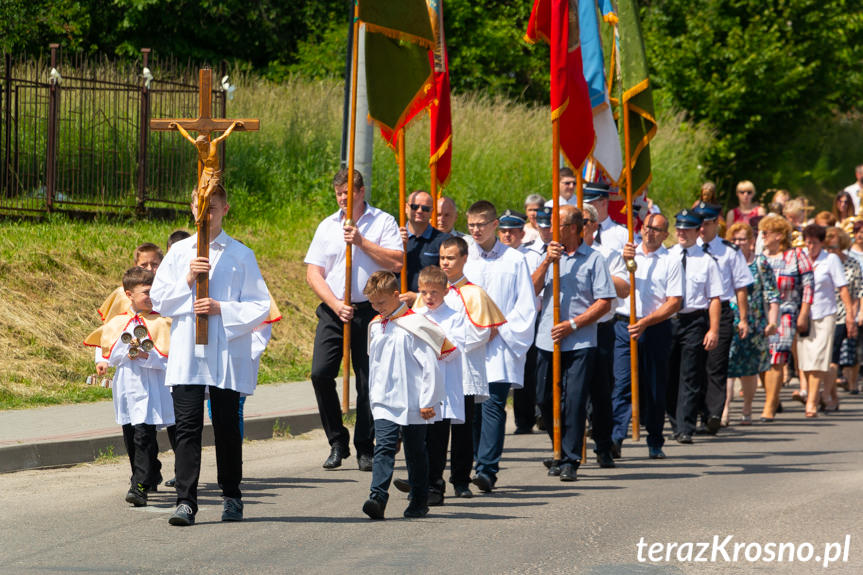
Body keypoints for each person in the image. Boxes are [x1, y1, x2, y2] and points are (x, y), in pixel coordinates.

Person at [151, 183, 271, 526]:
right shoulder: (178, 254)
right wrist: (188, 278)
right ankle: (186, 501)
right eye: (201, 208)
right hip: (189, 350)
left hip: (224, 353)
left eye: (213, 208)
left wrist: (223, 308)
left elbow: (260, 305)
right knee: (187, 428)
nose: (207, 215)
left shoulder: (240, 254)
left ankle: (232, 494)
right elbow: (159, 301)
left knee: (226, 427)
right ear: (192, 208)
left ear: (225, 209)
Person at [304, 168, 403, 471]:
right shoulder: (327, 226)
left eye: (348, 192)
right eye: (339, 193)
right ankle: (337, 441)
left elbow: (397, 261)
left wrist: (362, 242)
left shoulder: (383, 222)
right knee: (320, 373)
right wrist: (334, 303)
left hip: (371, 311)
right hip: (335, 310)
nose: (343, 198)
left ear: (361, 192)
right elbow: (313, 272)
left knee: (367, 382)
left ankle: (365, 446)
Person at [532, 205, 616, 480]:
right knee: (544, 399)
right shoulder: (548, 255)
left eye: (556, 224)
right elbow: (530, 289)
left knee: (575, 401)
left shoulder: (594, 260)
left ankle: (569, 459)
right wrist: (546, 262)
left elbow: (605, 302)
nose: (550, 228)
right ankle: (557, 447)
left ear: (571, 228)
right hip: (548, 338)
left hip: (580, 341)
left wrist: (574, 324)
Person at [360, 271, 450, 520]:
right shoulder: (376, 325)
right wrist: (374, 396)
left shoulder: (416, 325)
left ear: (396, 295)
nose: (378, 308)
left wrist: (428, 400)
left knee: (414, 450)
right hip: (385, 399)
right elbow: (375, 363)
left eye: (382, 302)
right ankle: (377, 496)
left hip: (413, 399)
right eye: (373, 304)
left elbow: (430, 365)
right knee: (385, 447)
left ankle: (419, 500)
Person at [84, 267, 173, 507]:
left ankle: (139, 485)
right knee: (132, 435)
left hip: (151, 385)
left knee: (144, 434)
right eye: (145, 291)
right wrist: (103, 360)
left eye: (153, 290)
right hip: (126, 386)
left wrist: (147, 356)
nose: (151, 295)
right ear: (129, 294)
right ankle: (148, 472)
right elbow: (106, 344)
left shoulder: (161, 320)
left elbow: (168, 355)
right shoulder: (119, 321)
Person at [463, 200, 537, 493]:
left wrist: (499, 326)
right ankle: (471, 462)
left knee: (493, 403)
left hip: (500, 344)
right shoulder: (466, 258)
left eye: (481, 225)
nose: (476, 230)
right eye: (471, 226)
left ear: (495, 225)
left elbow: (525, 305)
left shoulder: (514, 260)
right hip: (469, 343)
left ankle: (487, 470)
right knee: (473, 407)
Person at [438, 237, 505, 497]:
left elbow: (487, 330)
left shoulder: (474, 293)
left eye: (451, 258)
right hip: (439, 370)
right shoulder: (432, 291)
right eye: (443, 257)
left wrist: (452, 341)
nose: (445, 262)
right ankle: (432, 478)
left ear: (464, 259)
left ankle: (461, 479)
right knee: (436, 428)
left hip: (463, 369)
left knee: (463, 429)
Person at [611, 214, 682, 458]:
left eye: (656, 229)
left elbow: (673, 302)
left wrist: (646, 322)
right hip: (624, 325)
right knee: (622, 384)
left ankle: (654, 439)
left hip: (655, 327)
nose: (649, 232)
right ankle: (615, 438)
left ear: (665, 234)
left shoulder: (670, 260)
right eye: (646, 227)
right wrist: (625, 261)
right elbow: (613, 284)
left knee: (654, 386)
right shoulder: (627, 255)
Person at [692, 201, 753, 434]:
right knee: (695, 366)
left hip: (723, 311)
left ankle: (714, 413)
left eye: (706, 224)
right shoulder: (689, 250)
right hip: (696, 311)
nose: (701, 229)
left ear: (716, 224)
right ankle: (697, 412)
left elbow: (740, 287)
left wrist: (743, 318)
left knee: (716, 365)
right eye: (699, 224)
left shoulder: (729, 251)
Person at [666, 209, 722, 444]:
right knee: (669, 375)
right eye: (679, 228)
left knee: (690, 374)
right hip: (668, 320)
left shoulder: (707, 261)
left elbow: (715, 298)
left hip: (693, 320)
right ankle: (674, 422)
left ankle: (685, 427)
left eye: (687, 229)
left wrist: (714, 329)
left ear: (697, 231)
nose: (681, 232)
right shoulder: (668, 256)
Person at [582, 203, 630, 465]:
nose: (579, 226)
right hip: (574, 327)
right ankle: (568, 450)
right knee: (570, 392)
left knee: (601, 390)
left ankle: (603, 446)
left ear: (594, 225)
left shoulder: (607, 254)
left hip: (601, 327)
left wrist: (596, 273)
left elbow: (624, 289)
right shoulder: (562, 253)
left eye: (585, 221)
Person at [723, 222, 780, 425]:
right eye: (734, 239)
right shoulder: (725, 261)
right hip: (727, 321)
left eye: (742, 239)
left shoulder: (760, 263)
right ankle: (725, 409)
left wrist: (772, 322)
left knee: (748, 369)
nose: (738, 243)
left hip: (754, 324)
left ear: (751, 241)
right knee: (726, 367)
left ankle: (747, 408)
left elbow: (772, 295)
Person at [758, 215, 813, 420]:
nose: (762, 236)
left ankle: (769, 408)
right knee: (762, 359)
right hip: (761, 312)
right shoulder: (761, 257)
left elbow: (808, 286)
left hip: (787, 311)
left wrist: (804, 314)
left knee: (777, 358)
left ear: (779, 235)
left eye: (766, 233)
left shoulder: (796, 255)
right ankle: (773, 396)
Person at [799, 224, 855, 418]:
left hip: (826, 315)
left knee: (819, 359)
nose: (810, 246)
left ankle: (812, 402)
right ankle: (829, 396)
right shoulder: (802, 259)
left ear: (821, 243)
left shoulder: (830, 260)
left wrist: (849, 315)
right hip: (804, 316)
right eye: (807, 242)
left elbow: (843, 288)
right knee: (806, 361)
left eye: (814, 243)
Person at [496, 209, 543, 435]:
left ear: (522, 234)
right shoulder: (493, 256)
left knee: (527, 370)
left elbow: (535, 290)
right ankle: (504, 414)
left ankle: (526, 419)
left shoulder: (531, 256)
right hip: (498, 321)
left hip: (526, 319)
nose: (507, 236)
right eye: (503, 231)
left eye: (512, 232)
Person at [825, 227, 863, 408]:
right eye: (828, 248)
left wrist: (853, 317)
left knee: (834, 356)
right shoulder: (821, 262)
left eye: (834, 248)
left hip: (842, 314)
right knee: (826, 358)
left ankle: (825, 395)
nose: (830, 252)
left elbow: (856, 293)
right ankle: (832, 396)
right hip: (823, 313)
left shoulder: (852, 264)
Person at [398, 190, 451, 306]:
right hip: (395, 308)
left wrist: (418, 297)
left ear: (431, 212)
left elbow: (450, 279)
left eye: (425, 208)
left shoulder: (444, 241)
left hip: (429, 309)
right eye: (414, 206)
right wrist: (396, 243)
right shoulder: (392, 237)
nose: (419, 211)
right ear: (406, 208)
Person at [583, 182, 630, 252]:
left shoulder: (622, 233)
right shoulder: (581, 230)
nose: (585, 207)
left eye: (589, 203)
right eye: (584, 203)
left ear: (604, 202)